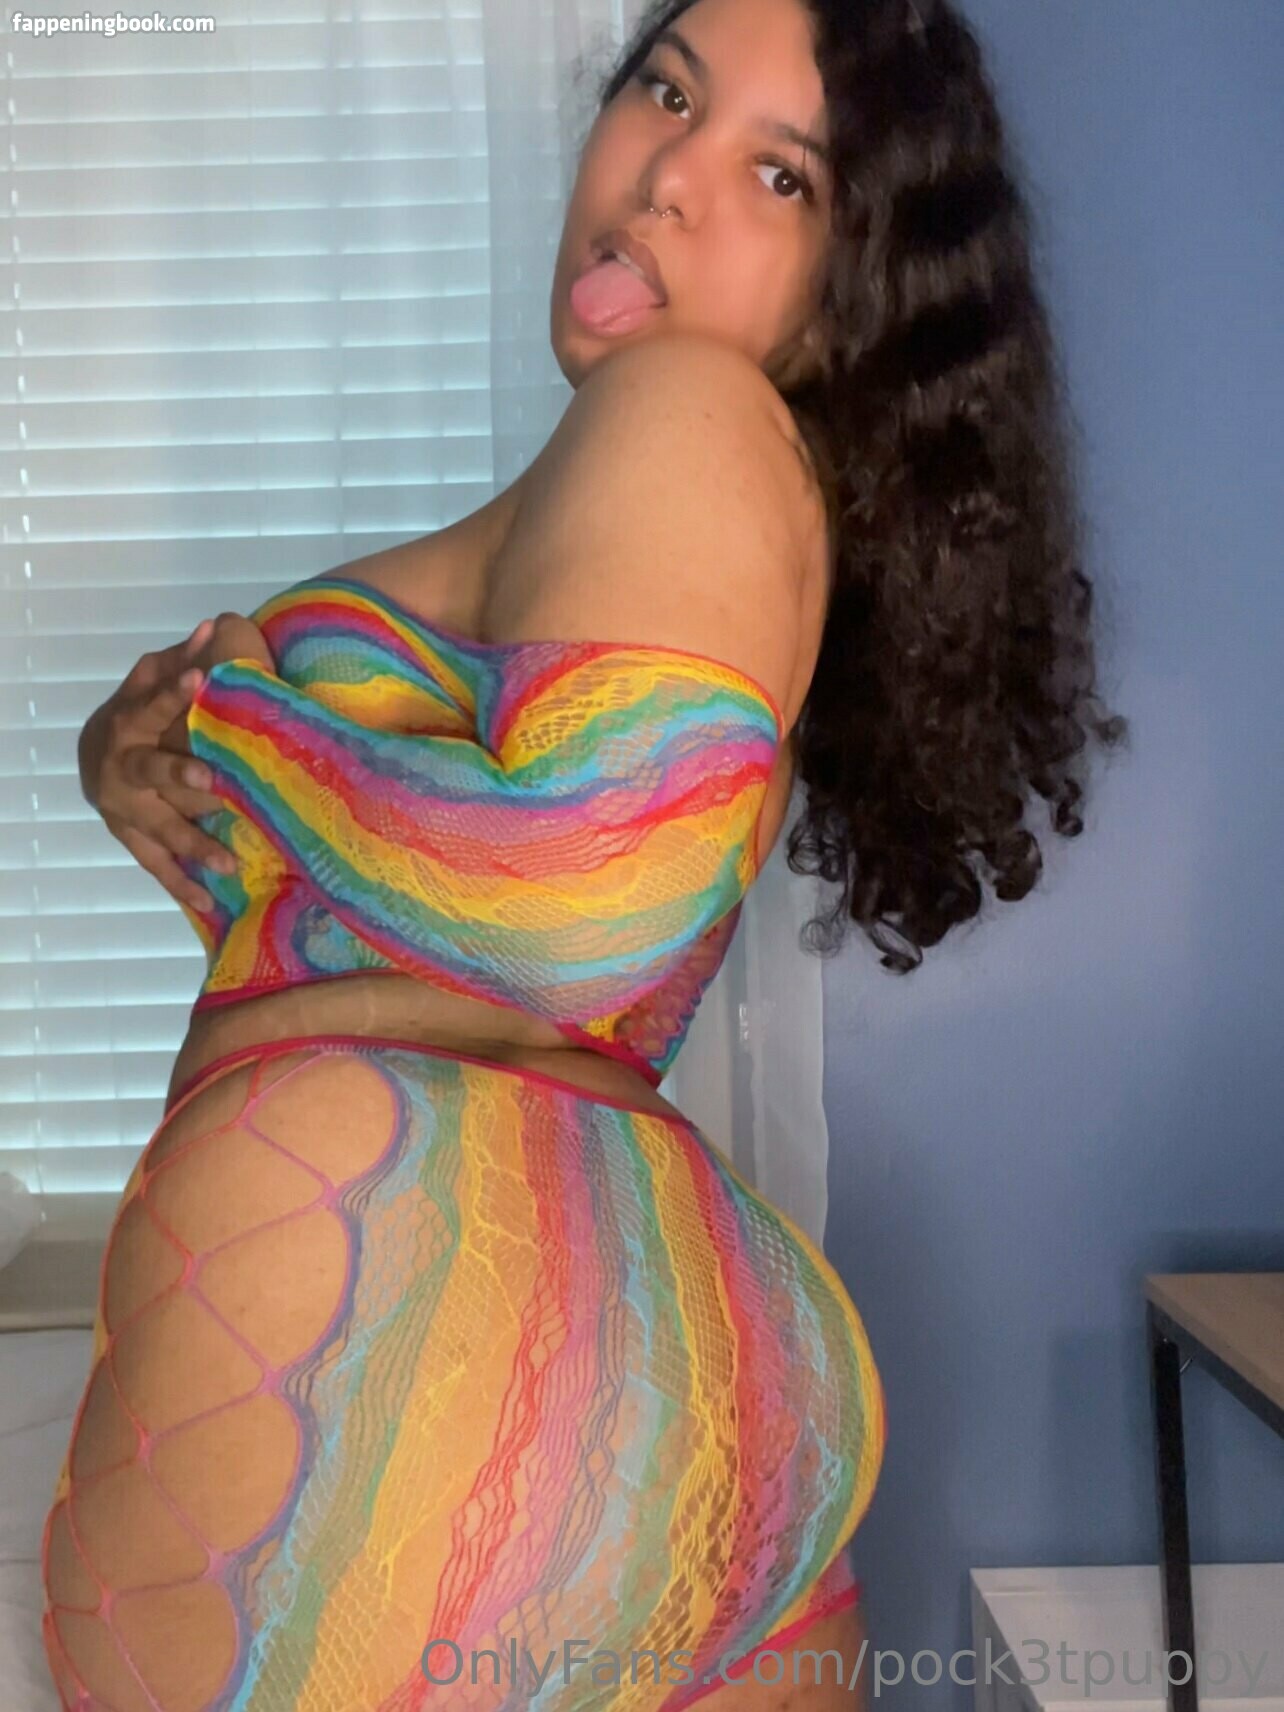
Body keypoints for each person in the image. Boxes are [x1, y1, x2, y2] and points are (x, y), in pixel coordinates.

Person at [42, 0, 1126, 1706]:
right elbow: (401, 937)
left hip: (417, 1368)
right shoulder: (693, 480)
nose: (670, 175)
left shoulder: (687, 408)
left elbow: (578, 908)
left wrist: (243, 722)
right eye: (665, 90)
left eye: (782, 174)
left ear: (857, 289)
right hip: (577, 1363)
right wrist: (151, 760)